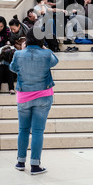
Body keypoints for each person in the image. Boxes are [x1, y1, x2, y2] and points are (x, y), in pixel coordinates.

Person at [9, 28, 59, 175]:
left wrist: (23, 50)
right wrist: (44, 47)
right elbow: (55, 62)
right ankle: (35, 165)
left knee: (23, 130)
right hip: (43, 96)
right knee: (37, 131)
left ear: (27, 39)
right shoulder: (46, 53)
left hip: (23, 96)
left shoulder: (18, 54)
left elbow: (12, 68)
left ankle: (20, 162)